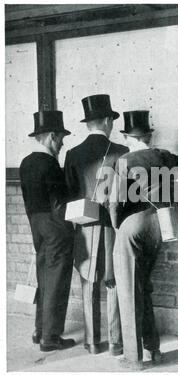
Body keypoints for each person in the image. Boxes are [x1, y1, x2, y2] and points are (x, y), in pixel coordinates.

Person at [110, 110, 178, 370]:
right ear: (149, 135)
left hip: (135, 225)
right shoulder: (164, 155)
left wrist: (119, 227)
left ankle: (133, 358)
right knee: (143, 285)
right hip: (162, 224)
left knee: (129, 290)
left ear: (127, 136)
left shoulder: (124, 160)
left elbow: (114, 203)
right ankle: (153, 349)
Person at [64, 94, 128, 355]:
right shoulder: (121, 152)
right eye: (111, 120)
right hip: (113, 225)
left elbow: (68, 194)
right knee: (113, 281)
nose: (112, 124)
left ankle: (92, 343)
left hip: (83, 226)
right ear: (105, 121)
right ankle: (115, 342)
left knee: (88, 282)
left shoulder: (72, 154)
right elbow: (124, 194)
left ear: (89, 123)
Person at [20, 110, 75, 352]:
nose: (62, 143)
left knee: (44, 277)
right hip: (55, 225)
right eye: (61, 137)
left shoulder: (26, 162)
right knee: (57, 280)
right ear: (52, 136)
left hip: (35, 224)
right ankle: (51, 337)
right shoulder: (50, 163)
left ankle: (40, 330)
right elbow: (60, 202)